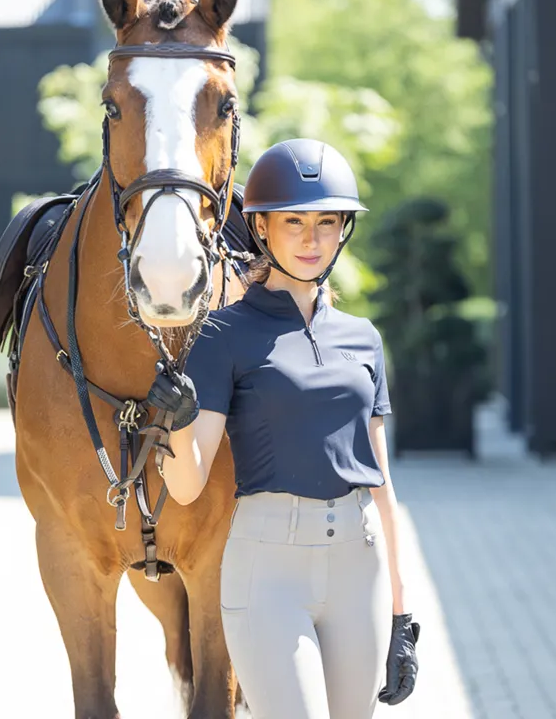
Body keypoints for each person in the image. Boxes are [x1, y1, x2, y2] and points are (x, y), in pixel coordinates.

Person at [148, 139, 420, 719]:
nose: (310, 238)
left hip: (359, 564)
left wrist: (403, 611)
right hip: (268, 569)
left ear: (343, 230)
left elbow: (384, 488)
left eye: (327, 221)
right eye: (293, 221)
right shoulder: (223, 334)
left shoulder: (363, 337)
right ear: (262, 228)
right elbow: (189, 486)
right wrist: (173, 421)